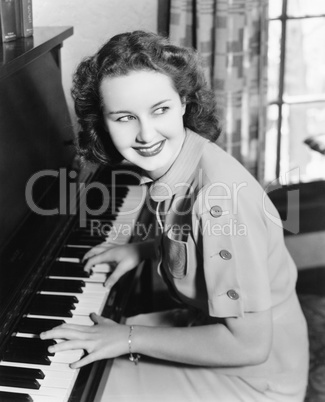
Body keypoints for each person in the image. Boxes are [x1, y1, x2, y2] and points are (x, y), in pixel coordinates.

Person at [40, 31, 309, 402]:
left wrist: (128, 339)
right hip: (221, 329)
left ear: (183, 102)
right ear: (102, 121)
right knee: (83, 348)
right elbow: (195, 238)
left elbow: (249, 346)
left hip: (256, 378)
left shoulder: (218, 202)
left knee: (78, 383)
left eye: (159, 109)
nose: (145, 134)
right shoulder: (185, 160)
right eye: (123, 118)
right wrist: (145, 249)